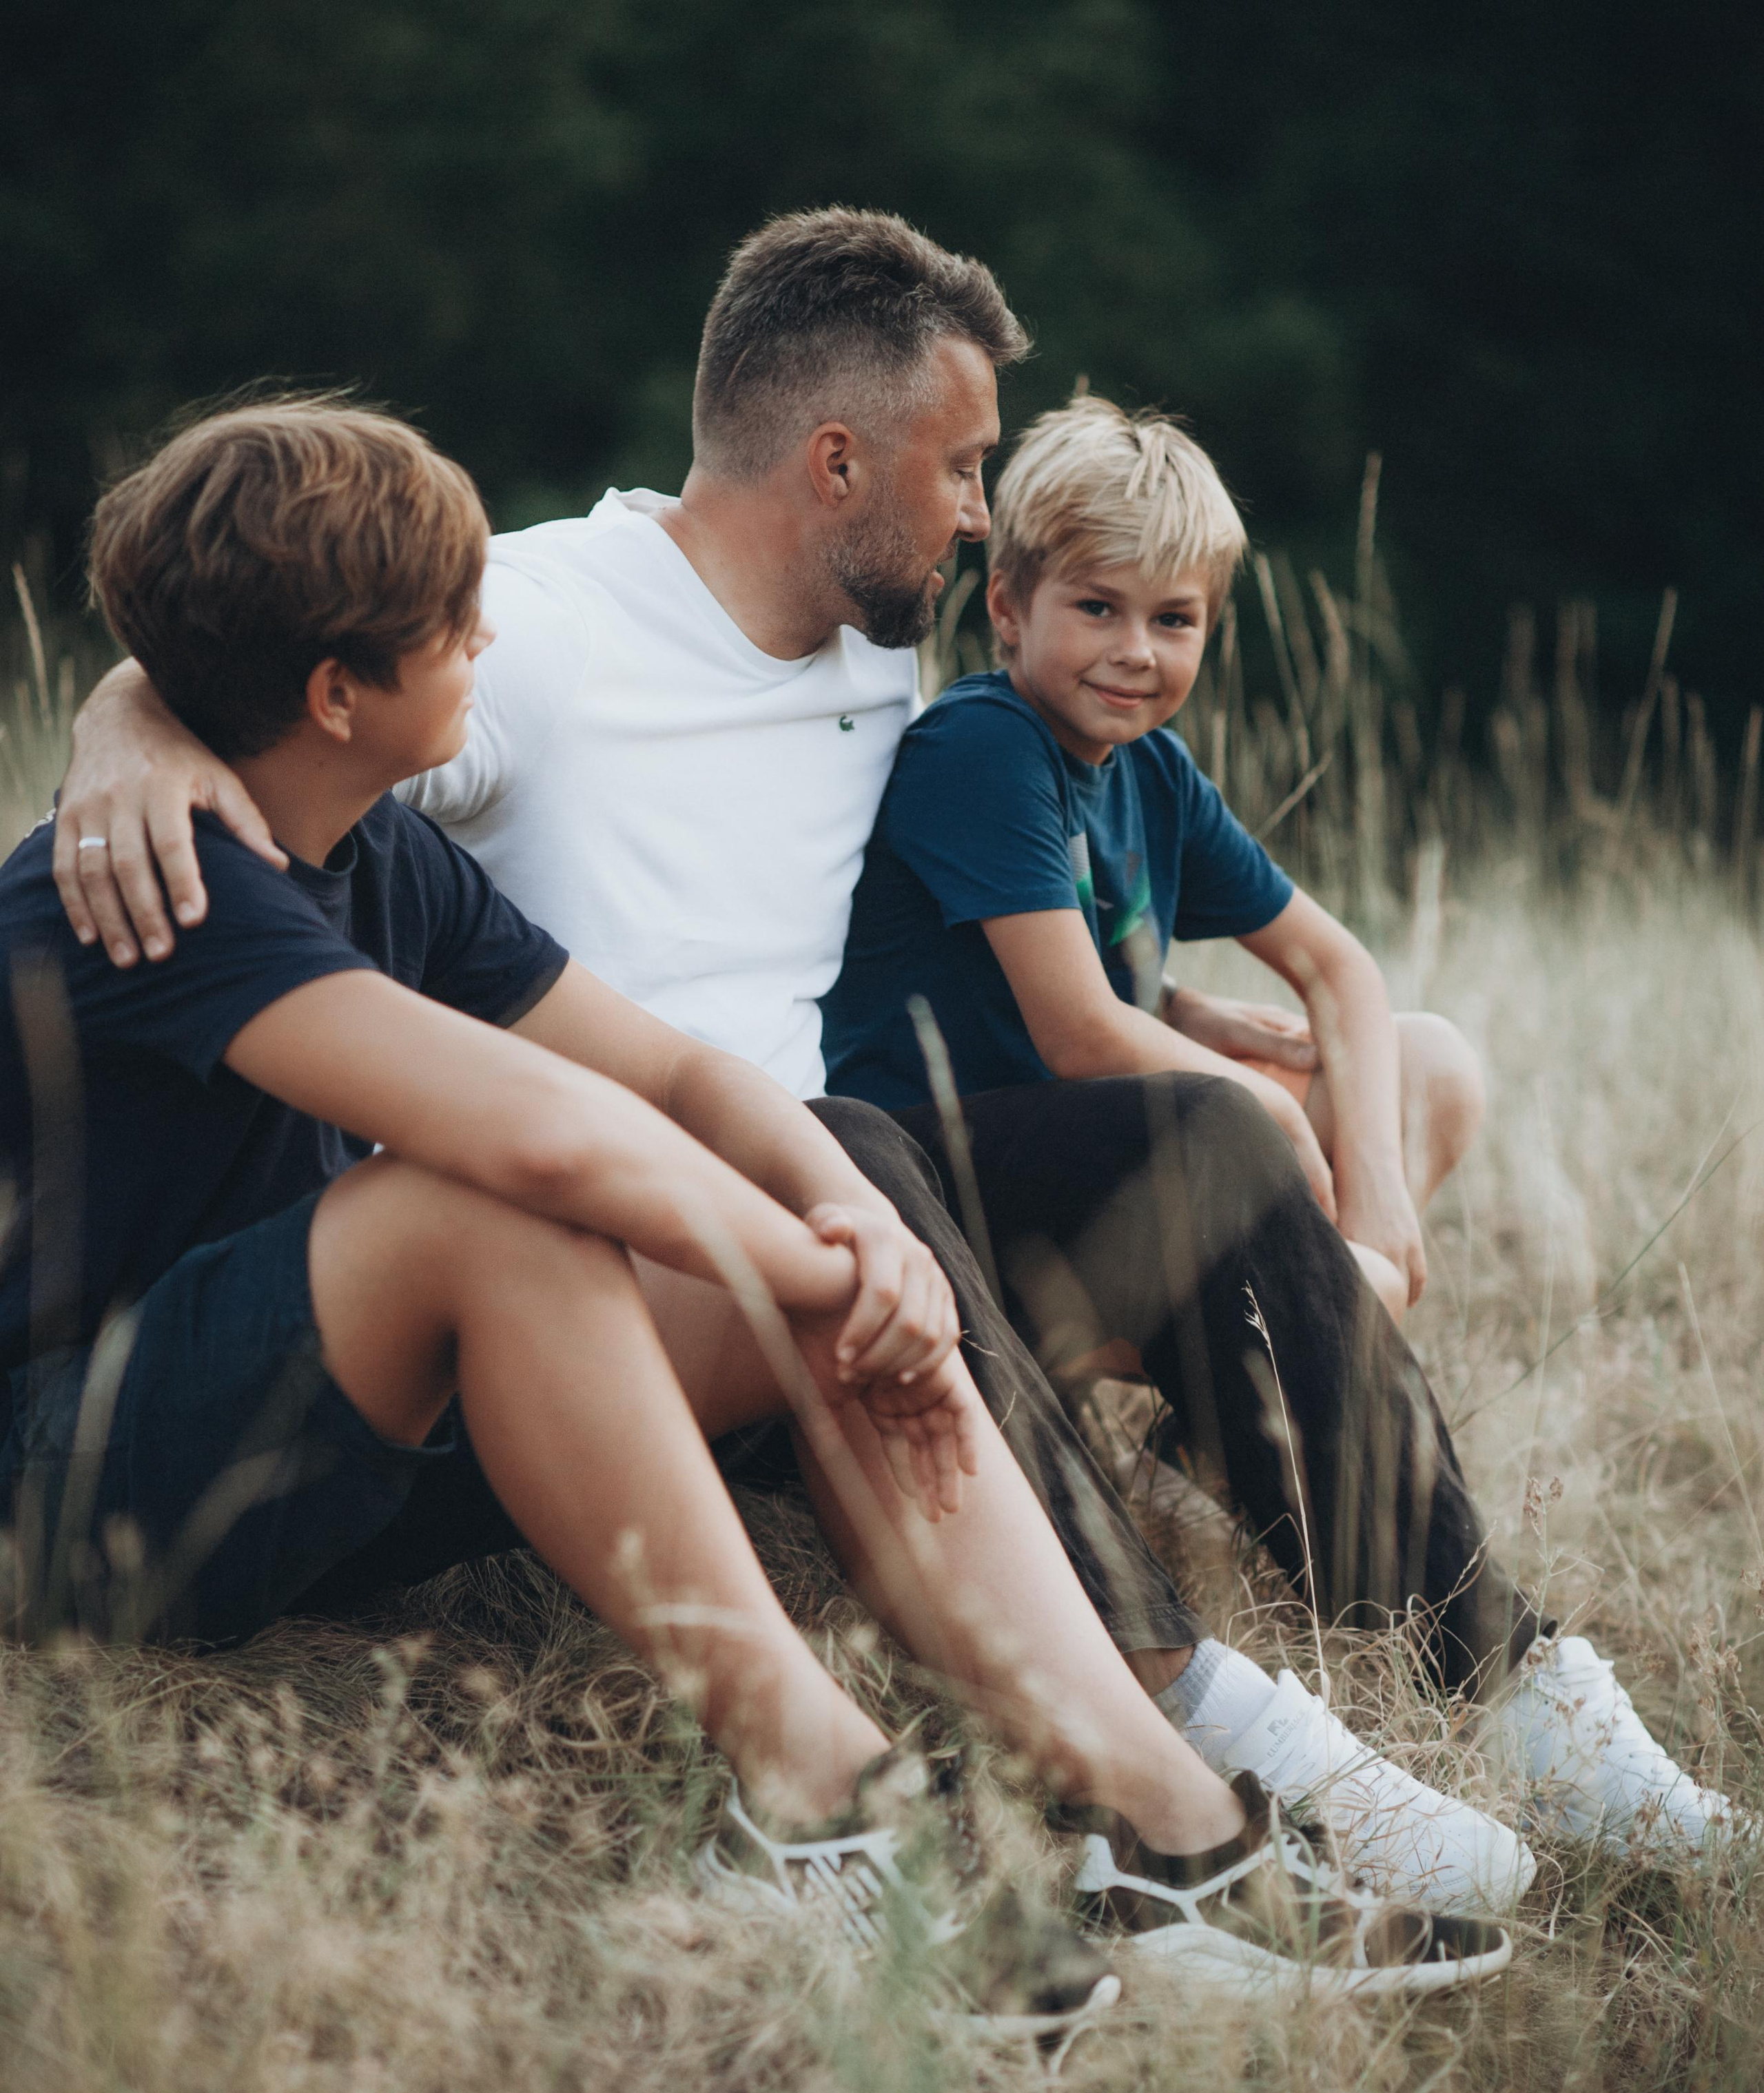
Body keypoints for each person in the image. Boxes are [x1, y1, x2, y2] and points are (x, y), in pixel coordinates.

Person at [47, 211, 1735, 1884]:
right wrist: (130, 721)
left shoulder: (891, 650)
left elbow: (1018, 869)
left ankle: (1500, 1674)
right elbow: (280, 659)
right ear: (837, 463)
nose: (982, 511)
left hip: (822, 1184)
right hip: (635, 1261)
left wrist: (1176, 1028)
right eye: (963, 468)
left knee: (1193, 1138)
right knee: (856, 1157)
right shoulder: (542, 630)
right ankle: (1182, 1718)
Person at [823, 395, 1482, 1330]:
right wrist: (1266, 1109)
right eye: (1098, 608)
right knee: (1323, 1252)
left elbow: (1338, 968)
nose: (1135, 652)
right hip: (952, 1185)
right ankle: (1274, 1328)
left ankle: (1273, 1341)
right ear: (1009, 606)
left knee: (1431, 1063)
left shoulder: (1155, 772)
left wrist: (1374, 1178)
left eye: (1174, 619)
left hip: (1108, 1158)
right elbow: (1081, 1036)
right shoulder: (983, 746)